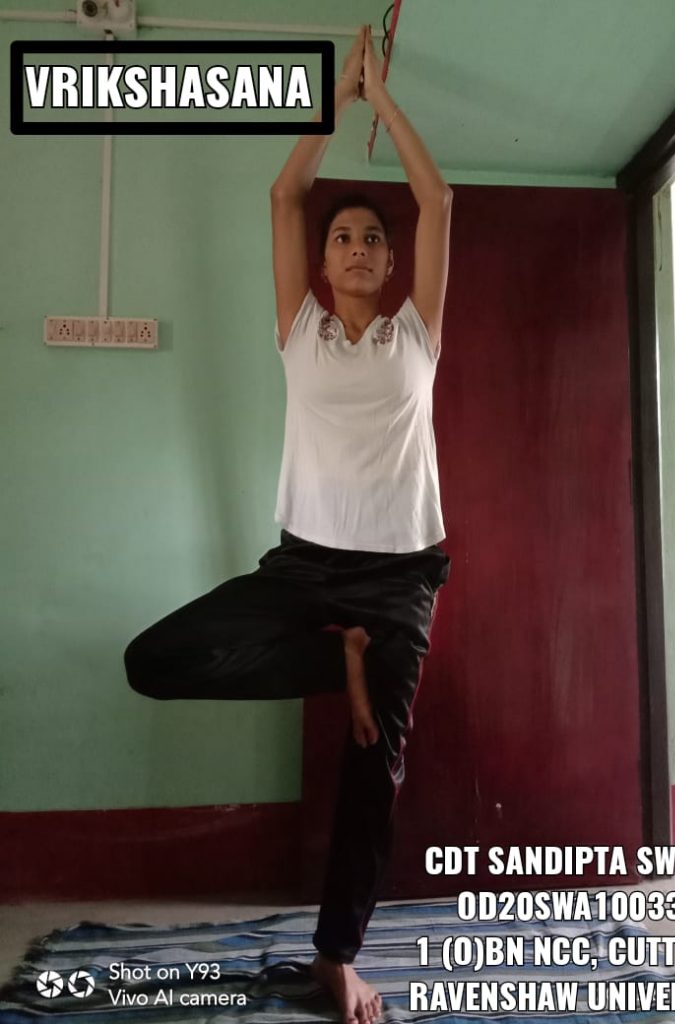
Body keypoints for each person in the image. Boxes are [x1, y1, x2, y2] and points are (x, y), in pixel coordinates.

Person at [124, 24, 452, 1024]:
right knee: (156, 659)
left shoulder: (417, 337)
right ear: (321, 261)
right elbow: (283, 195)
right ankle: (335, 658)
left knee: (373, 774)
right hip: (303, 567)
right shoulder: (298, 331)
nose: (356, 247)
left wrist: (384, 100)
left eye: (371, 239)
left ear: (389, 264)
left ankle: (336, 957)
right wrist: (336, 101)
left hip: (399, 577)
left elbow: (438, 200)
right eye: (341, 237)